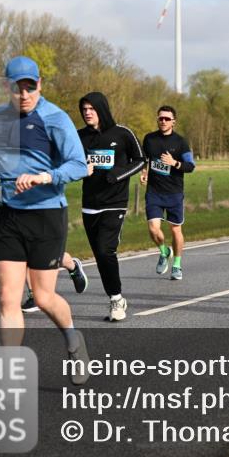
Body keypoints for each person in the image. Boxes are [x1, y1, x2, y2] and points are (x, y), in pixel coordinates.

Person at [0, 56, 90, 384]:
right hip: (9, 215)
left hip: (47, 214)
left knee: (43, 297)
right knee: (8, 298)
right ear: (7, 87)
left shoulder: (55, 118)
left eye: (30, 87)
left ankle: (73, 341)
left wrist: (43, 177)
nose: (24, 94)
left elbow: (79, 165)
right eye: (17, 87)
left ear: (40, 85)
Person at [77, 92, 145, 322]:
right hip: (90, 204)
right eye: (84, 109)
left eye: (91, 108)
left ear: (102, 109)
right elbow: (69, 163)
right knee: (99, 255)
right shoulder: (79, 137)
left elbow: (140, 160)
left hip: (115, 203)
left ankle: (116, 299)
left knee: (106, 250)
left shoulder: (122, 133)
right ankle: (115, 295)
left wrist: (117, 174)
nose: (87, 112)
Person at [140, 105, 195, 280]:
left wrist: (174, 163)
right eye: (160, 118)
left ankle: (177, 265)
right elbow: (145, 160)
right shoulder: (149, 139)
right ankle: (164, 251)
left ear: (173, 122)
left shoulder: (180, 142)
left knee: (175, 230)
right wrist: (144, 172)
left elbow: (190, 166)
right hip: (154, 192)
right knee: (153, 229)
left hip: (174, 193)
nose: (163, 121)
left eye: (167, 119)